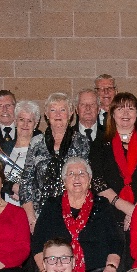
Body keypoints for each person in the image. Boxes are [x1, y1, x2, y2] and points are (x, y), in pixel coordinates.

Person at [30, 158, 124, 272]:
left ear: (89, 179)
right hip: (57, 271)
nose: (76, 178)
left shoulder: (102, 205)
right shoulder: (51, 205)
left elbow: (115, 241)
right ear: (64, 181)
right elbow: (38, 243)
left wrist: (111, 268)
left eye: (81, 173)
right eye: (71, 174)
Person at [90, 92, 137, 216]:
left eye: (130, 109)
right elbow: (97, 181)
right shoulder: (100, 144)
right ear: (113, 114)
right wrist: (129, 210)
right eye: (120, 109)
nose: (126, 114)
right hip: (108, 212)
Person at [22, 93, 93, 223]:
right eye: (53, 110)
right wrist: (31, 218)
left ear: (71, 113)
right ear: (47, 115)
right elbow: (26, 182)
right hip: (41, 215)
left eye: (63, 110)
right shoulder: (36, 142)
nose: (58, 114)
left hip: (75, 213)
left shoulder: (82, 142)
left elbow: (87, 180)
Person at [0, 100, 43, 203]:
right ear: (15, 121)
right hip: (4, 207)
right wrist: (11, 187)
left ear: (36, 124)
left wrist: (26, 193)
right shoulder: (4, 148)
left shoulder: (41, 149)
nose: (25, 124)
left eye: (30, 121)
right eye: (21, 119)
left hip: (33, 207)